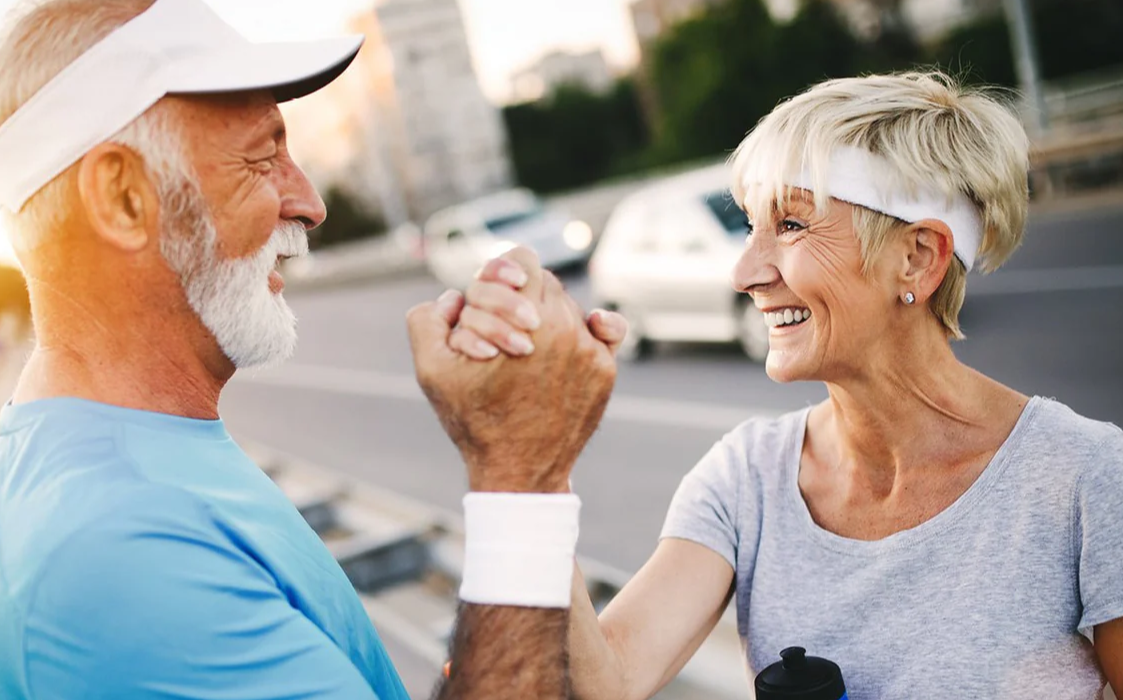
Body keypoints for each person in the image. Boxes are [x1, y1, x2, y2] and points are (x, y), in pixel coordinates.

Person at [0, 1, 626, 698]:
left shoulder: (132, 458)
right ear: (125, 199)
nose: (310, 203)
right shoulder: (108, 555)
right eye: (261, 159)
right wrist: (519, 470)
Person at [448, 72, 1123, 698]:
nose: (745, 270)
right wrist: (526, 462)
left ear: (916, 257)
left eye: (791, 224)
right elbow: (605, 683)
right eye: (750, 226)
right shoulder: (747, 480)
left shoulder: (1086, 477)